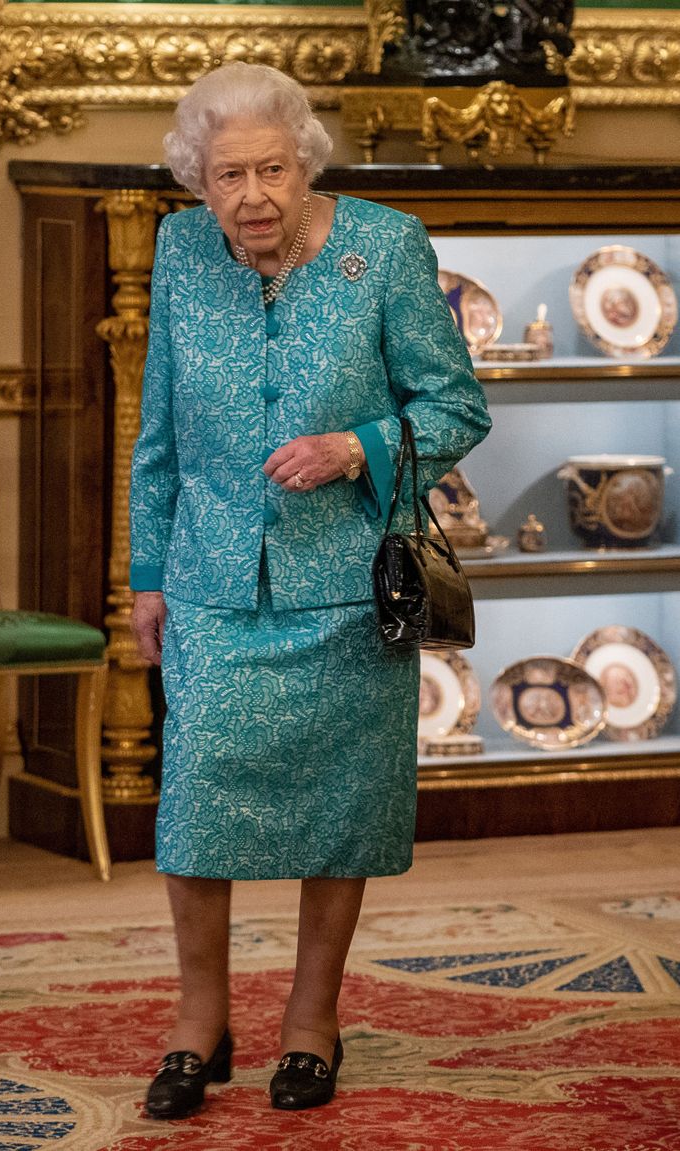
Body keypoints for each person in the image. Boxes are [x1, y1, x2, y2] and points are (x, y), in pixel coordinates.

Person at [129, 60, 491, 1120]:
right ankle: (199, 1023)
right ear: (198, 182)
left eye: (272, 170)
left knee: (339, 814)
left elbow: (455, 406)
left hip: (345, 590)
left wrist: (356, 445)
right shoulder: (179, 249)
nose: (251, 197)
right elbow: (158, 434)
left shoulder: (385, 244)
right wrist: (145, 575)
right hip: (207, 581)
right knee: (193, 807)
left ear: (305, 162)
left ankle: (309, 1021)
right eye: (227, 175)